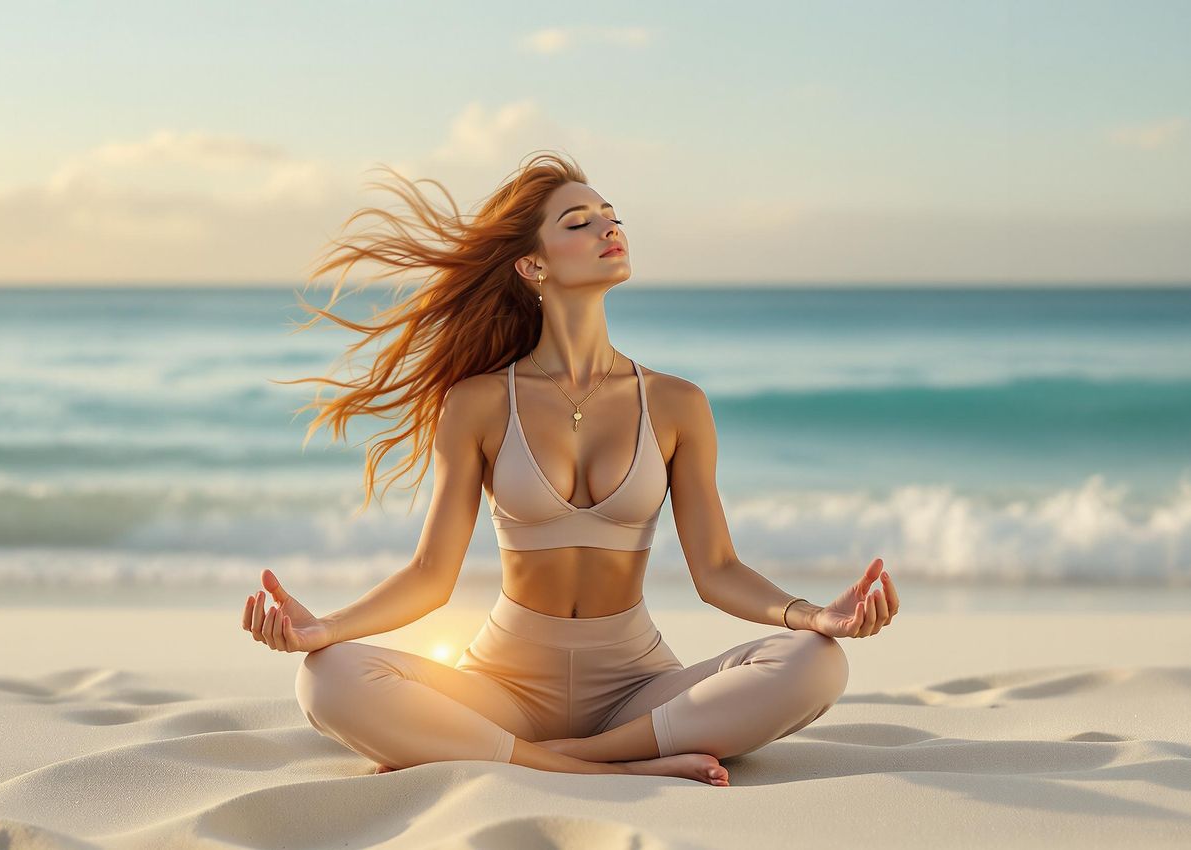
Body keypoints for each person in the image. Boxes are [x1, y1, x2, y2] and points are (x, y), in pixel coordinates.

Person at [241, 151, 900, 787]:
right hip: (500, 687)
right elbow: (430, 577)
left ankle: (544, 755)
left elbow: (717, 571)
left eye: (611, 216)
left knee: (818, 664)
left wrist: (813, 615)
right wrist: (322, 630)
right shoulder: (478, 403)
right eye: (579, 223)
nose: (608, 228)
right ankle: (605, 766)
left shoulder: (676, 404)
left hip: (639, 690)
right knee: (323, 678)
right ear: (532, 265)